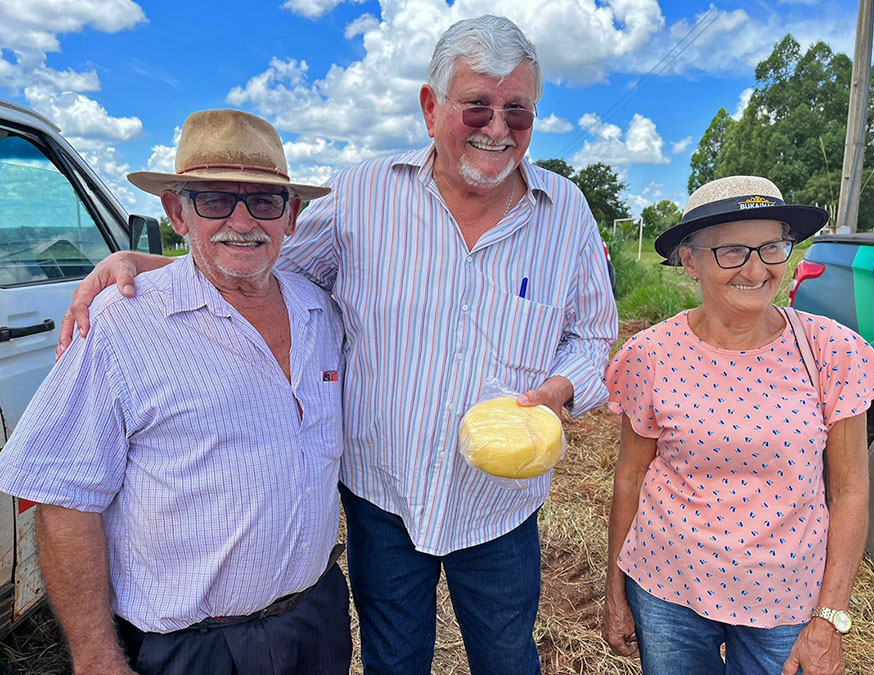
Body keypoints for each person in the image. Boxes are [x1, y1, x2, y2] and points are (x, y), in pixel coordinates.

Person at [58, 15, 618, 674]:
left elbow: (593, 332)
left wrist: (564, 387)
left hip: (498, 507)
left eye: (517, 110)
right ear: (431, 107)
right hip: (383, 499)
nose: (498, 127)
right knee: (393, 658)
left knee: (507, 657)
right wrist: (148, 265)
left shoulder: (566, 213)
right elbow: (260, 254)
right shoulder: (363, 195)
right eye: (477, 106)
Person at [0, 109, 351, 675]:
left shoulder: (322, 311)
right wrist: (95, 658)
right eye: (214, 199)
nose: (242, 220)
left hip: (314, 619)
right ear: (176, 211)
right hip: (189, 649)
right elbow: (62, 498)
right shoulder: (122, 321)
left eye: (264, 202)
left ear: (292, 215)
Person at [601, 175, 874, 674]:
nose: (757, 268)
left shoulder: (832, 350)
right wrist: (616, 591)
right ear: (690, 260)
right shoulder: (649, 354)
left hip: (786, 600)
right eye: (732, 252)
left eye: (772, 247)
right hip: (666, 588)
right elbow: (630, 478)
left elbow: (849, 490)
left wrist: (829, 618)